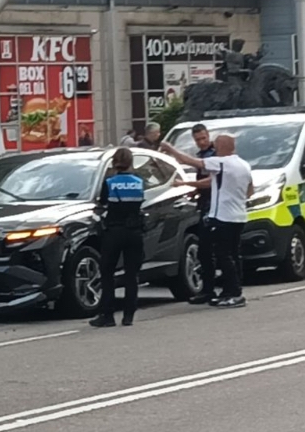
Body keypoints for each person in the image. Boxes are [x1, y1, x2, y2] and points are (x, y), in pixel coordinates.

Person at [161, 133, 254, 309]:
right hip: (239, 215)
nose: (214, 149)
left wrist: (169, 148)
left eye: (216, 146)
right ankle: (230, 291)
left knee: (223, 255)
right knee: (233, 254)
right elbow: (250, 190)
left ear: (223, 147)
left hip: (223, 216)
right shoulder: (243, 164)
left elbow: (190, 161)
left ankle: (234, 293)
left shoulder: (221, 162)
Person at [91, 147, 147, 328]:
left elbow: (102, 205)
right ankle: (128, 315)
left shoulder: (110, 182)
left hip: (114, 231)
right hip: (134, 232)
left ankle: (107, 315)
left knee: (107, 272)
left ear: (114, 162)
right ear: (131, 162)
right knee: (132, 274)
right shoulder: (139, 182)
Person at [179, 124, 221, 304]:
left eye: (203, 138)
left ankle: (219, 289)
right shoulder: (203, 154)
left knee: (214, 249)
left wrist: (188, 185)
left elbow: (212, 181)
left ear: (208, 135)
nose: (202, 142)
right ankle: (209, 289)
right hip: (206, 204)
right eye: (198, 140)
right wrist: (196, 191)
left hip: (215, 206)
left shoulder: (214, 154)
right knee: (205, 250)